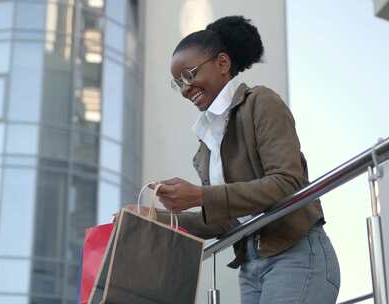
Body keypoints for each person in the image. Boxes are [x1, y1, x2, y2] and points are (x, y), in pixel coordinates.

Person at [129, 16, 340, 303]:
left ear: (223, 63)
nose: (184, 89)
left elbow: (288, 183)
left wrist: (200, 195)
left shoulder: (260, 102)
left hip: (296, 254)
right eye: (177, 82)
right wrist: (156, 217)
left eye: (189, 75)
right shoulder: (205, 146)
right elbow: (224, 222)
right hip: (251, 265)